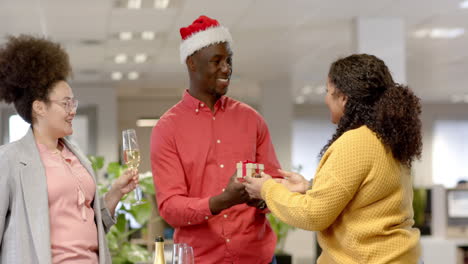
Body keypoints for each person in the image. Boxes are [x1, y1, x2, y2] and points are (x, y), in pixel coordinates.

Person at [244, 54, 423, 263]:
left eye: (327, 92)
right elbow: (366, 194)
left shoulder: (356, 142)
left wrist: (266, 189)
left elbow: (313, 216)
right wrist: (310, 187)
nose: (326, 98)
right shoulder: (387, 138)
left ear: (344, 98)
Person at [151, 15, 281, 264]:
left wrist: (263, 195)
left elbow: (274, 185)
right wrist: (220, 202)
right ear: (192, 63)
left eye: (229, 60)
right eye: (216, 61)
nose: (227, 68)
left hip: (258, 258)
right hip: (200, 260)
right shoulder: (167, 129)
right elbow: (169, 207)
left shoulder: (252, 120)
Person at [0, 35, 138, 264]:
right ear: (39, 108)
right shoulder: (9, 160)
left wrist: (116, 193)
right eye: (66, 103)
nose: (73, 110)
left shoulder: (76, 157)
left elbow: (91, 226)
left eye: (74, 103)